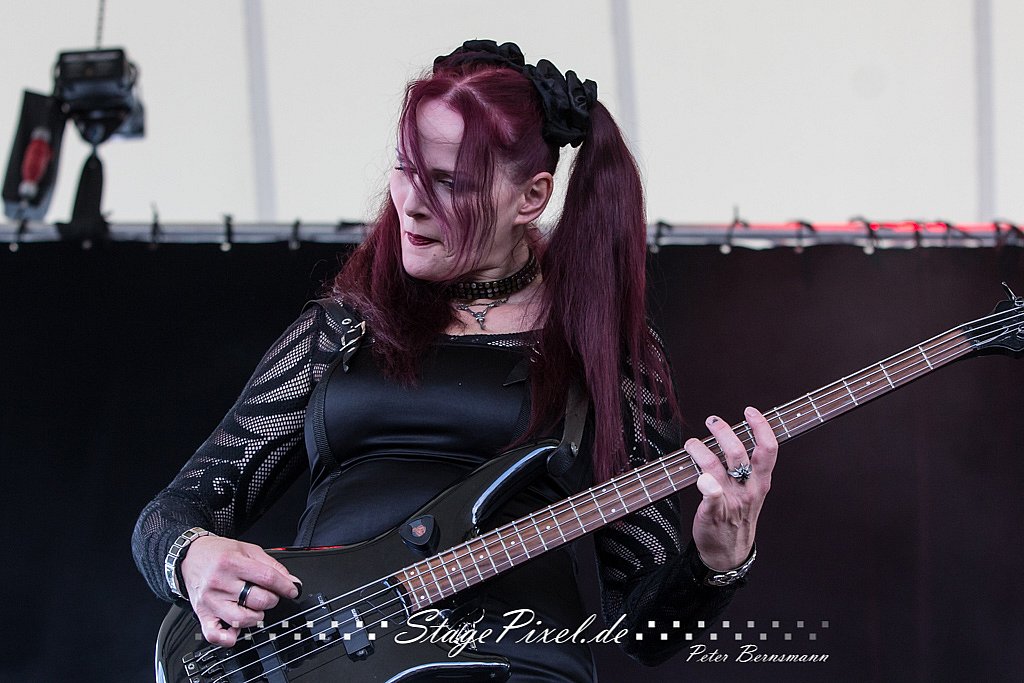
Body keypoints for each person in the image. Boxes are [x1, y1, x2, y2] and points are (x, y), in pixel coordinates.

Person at [132, 39, 777, 681]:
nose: (410, 202)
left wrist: (718, 561)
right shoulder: (344, 326)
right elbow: (174, 512)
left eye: (447, 182)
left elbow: (644, 630)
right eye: (405, 167)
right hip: (319, 664)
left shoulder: (604, 349)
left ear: (531, 198)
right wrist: (192, 558)